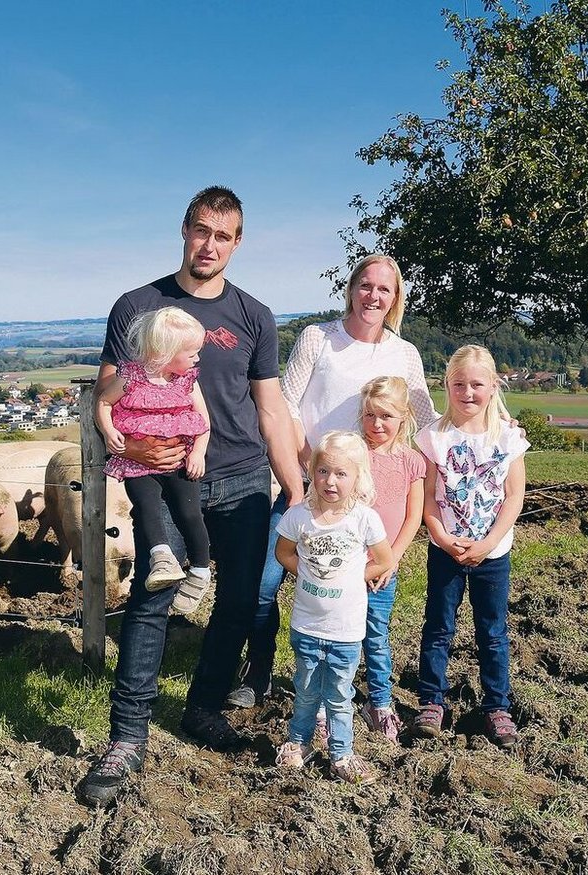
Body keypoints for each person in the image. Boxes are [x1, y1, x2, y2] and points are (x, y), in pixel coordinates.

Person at [77, 186, 303, 807]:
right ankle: (126, 738)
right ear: (184, 230)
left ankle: (202, 709)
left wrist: (296, 485)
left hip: (241, 477)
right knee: (153, 596)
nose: (210, 245)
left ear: (238, 243)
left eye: (223, 236)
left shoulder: (254, 316)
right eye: (202, 231)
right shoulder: (138, 305)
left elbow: (271, 405)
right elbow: (108, 391)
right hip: (168, 477)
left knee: (236, 602)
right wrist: (130, 446)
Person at [227, 254, 436, 709]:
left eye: (384, 289)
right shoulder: (318, 338)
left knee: (356, 589)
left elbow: (427, 419)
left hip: (364, 503)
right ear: (351, 289)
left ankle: (354, 683)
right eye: (365, 285)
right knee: (265, 582)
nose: (373, 296)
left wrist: (490, 426)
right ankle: (258, 670)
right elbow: (285, 407)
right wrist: (302, 472)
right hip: (306, 486)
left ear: (395, 298)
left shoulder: (404, 354)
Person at [411, 344, 528, 747]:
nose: (468, 393)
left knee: (492, 632)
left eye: (477, 384)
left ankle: (497, 706)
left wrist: (489, 542)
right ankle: (431, 701)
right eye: (459, 384)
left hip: (493, 555)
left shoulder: (509, 438)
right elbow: (426, 495)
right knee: (439, 627)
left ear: (493, 386)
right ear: (447, 385)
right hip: (445, 551)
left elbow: (514, 495)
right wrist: (440, 537)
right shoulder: (431, 437)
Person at [273, 431, 391, 784]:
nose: (330, 481)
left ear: (358, 478)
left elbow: (384, 560)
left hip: (346, 631)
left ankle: (342, 754)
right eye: (323, 471)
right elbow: (283, 553)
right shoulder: (298, 517)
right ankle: (299, 743)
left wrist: (354, 578)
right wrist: (308, 575)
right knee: (307, 689)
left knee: (340, 695)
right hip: (307, 626)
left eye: (341, 474)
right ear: (312, 472)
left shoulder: (364, 519)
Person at [96, 306, 212, 595]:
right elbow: (103, 403)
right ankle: (162, 559)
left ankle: (200, 570)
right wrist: (110, 432)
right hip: (138, 464)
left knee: (189, 514)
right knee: (146, 508)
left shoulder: (186, 382)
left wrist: (198, 453)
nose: (197, 358)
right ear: (166, 352)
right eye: (192, 353)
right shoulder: (129, 378)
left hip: (179, 462)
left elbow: (204, 423)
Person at [356, 376, 426, 740]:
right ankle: (328, 701)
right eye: (369, 415)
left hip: (385, 568)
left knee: (376, 633)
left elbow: (414, 516)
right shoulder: (353, 455)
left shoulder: (412, 462)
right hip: (349, 565)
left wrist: (391, 559)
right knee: (343, 636)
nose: (377, 424)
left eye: (386, 416)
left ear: (404, 417)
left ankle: (379, 701)